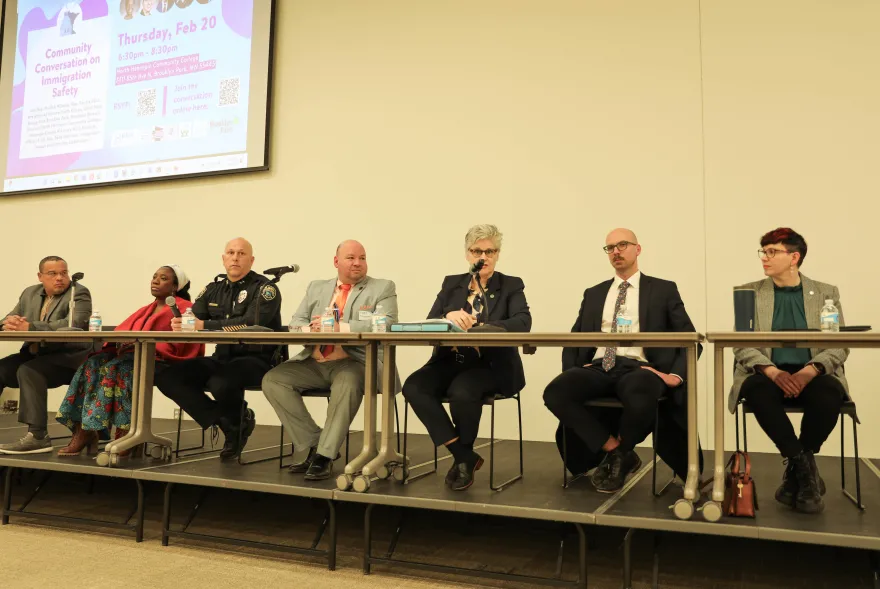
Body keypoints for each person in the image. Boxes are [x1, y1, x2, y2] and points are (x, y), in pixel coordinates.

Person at [543, 228, 700, 493]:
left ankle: (619, 456)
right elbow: (575, 336)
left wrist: (676, 375)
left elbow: (689, 337)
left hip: (640, 367)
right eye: (610, 248)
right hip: (600, 365)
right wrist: (572, 371)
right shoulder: (594, 293)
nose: (616, 251)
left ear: (637, 249)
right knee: (555, 392)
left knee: (641, 389)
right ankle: (617, 452)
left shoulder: (663, 289)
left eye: (623, 245)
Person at [402, 225, 531, 491]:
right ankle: (463, 456)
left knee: (463, 390)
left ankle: (463, 459)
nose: (482, 257)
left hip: (490, 364)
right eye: (476, 251)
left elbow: (522, 321)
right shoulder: (452, 283)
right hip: (450, 360)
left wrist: (483, 326)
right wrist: (447, 316)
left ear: (497, 254)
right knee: (414, 386)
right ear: (467, 254)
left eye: (489, 251)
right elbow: (431, 320)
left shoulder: (510, 285)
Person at [730, 228, 847, 514]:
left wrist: (809, 372)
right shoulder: (749, 292)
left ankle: (798, 470)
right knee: (757, 390)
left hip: (813, 372)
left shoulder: (825, 293)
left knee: (830, 393)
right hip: (766, 372)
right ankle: (804, 470)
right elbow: (740, 344)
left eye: (773, 252)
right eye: (764, 252)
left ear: (794, 257)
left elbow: (839, 344)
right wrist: (772, 371)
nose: (765, 258)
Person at [262, 240, 399, 481]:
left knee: (347, 382)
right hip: (314, 361)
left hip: (355, 362)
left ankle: (324, 455)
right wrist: (310, 331)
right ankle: (313, 442)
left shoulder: (382, 288)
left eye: (362, 257)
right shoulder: (316, 288)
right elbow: (296, 323)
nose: (358, 262)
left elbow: (386, 323)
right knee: (273, 379)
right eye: (351, 258)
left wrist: (341, 327)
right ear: (336, 262)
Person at [155, 238, 284, 460]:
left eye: (241, 254)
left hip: (257, 359)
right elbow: (193, 317)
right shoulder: (213, 289)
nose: (235, 257)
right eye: (231, 252)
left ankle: (234, 429)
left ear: (251, 260)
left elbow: (248, 326)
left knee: (220, 381)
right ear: (223, 258)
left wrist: (202, 325)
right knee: (168, 377)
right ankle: (228, 421)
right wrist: (182, 323)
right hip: (223, 357)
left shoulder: (265, 289)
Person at [55, 266, 204, 456]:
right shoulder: (146, 309)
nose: (155, 281)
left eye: (163, 278)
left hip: (160, 361)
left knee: (117, 368)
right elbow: (123, 332)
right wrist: (123, 343)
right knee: (91, 364)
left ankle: (126, 433)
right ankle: (84, 430)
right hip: (134, 354)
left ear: (175, 286)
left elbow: (180, 344)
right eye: (154, 277)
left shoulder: (184, 308)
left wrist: (135, 344)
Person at [0, 257, 92, 455]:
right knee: (2, 369)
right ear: (40, 276)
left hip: (70, 357)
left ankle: (38, 436)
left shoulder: (79, 292)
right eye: (52, 274)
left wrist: (30, 327)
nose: (60, 278)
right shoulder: (29, 293)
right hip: (37, 353)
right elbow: (10, 317)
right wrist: (8, 324)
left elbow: (74, 323)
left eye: (64, 273)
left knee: (29, 371)